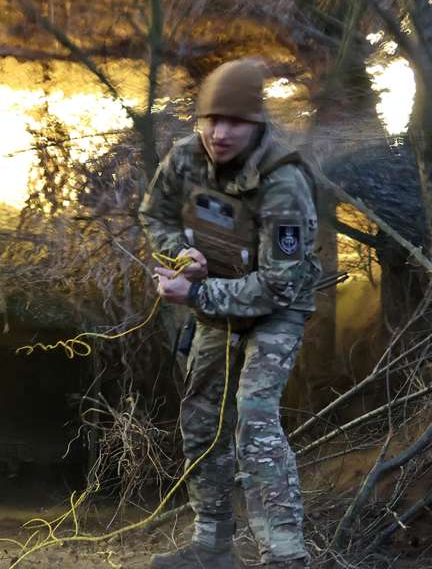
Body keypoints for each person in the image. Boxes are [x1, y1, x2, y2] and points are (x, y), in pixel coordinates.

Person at [139, 58, 320, 568]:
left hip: (275, 312)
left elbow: (279, 285)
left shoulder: (284, 183)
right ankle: (212, 546)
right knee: (202, 417)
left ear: (256, 123)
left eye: (234, 122)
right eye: (210, 119)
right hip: (217, 300)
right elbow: (153, 215)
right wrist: (181, 256)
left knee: (254, 422)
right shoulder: (184, 159)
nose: (219, 133)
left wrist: (195, 297)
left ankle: (285, 556)